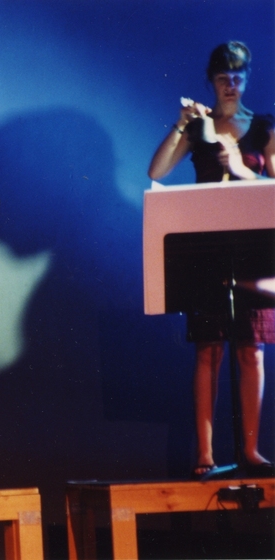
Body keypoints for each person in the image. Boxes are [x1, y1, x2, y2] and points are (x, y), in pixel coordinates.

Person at [148, 41, 275, 479]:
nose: (231, 85)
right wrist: (183, 124)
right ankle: (205, 454)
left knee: (251, 351)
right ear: (212, 81)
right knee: (208, 350)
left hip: (255, 253)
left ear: (247, 79)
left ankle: (252, 452)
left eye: (238, 77)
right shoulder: (201, 128)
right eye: (224, 78)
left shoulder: (263, 127)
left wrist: (243, 170)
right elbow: (157, 171)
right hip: (209, 250)